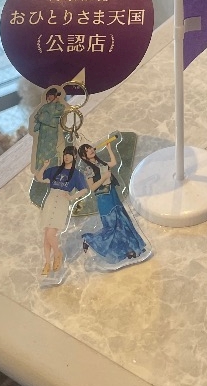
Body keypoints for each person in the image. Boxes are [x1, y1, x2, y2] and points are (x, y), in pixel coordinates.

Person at [77, 143, 148, 267]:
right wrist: (104, 177)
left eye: (90, 148)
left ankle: (129, 250)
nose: (90, 150)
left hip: (113, 195)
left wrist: (109, 148)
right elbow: (92, 187)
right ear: (84, 156)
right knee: (111, 227)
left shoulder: (101, 163)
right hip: (103, 199)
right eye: (87, 150)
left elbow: (114, 163)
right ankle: (90, 239)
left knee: (123, 222)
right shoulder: (88, 170)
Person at [33, 144, 88, 275]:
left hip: (62, 202)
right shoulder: (55, 170)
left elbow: (84, 190)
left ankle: (58, 254)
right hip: (51, 200)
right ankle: (47, 263)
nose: (66, 157)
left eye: (69, 154)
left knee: (50, 234)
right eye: (65, 154)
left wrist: (72, 197)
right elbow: (39, 178)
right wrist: (45, 166)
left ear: (74, 157)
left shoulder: (76, 174)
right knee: (46, 234)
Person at [30, 88, 66, 171]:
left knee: (51, 148)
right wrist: (45, 117)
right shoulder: (44, 107)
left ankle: (51, 167)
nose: (49, 99)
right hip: (43, 131)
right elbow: (38, 116)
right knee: (41, 148)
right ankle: (40, 167)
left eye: (51, 96)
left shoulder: (60, 107)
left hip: (52, 131)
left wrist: (45, 116)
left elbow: (52, 115)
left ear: (56, 96)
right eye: (48, 97)